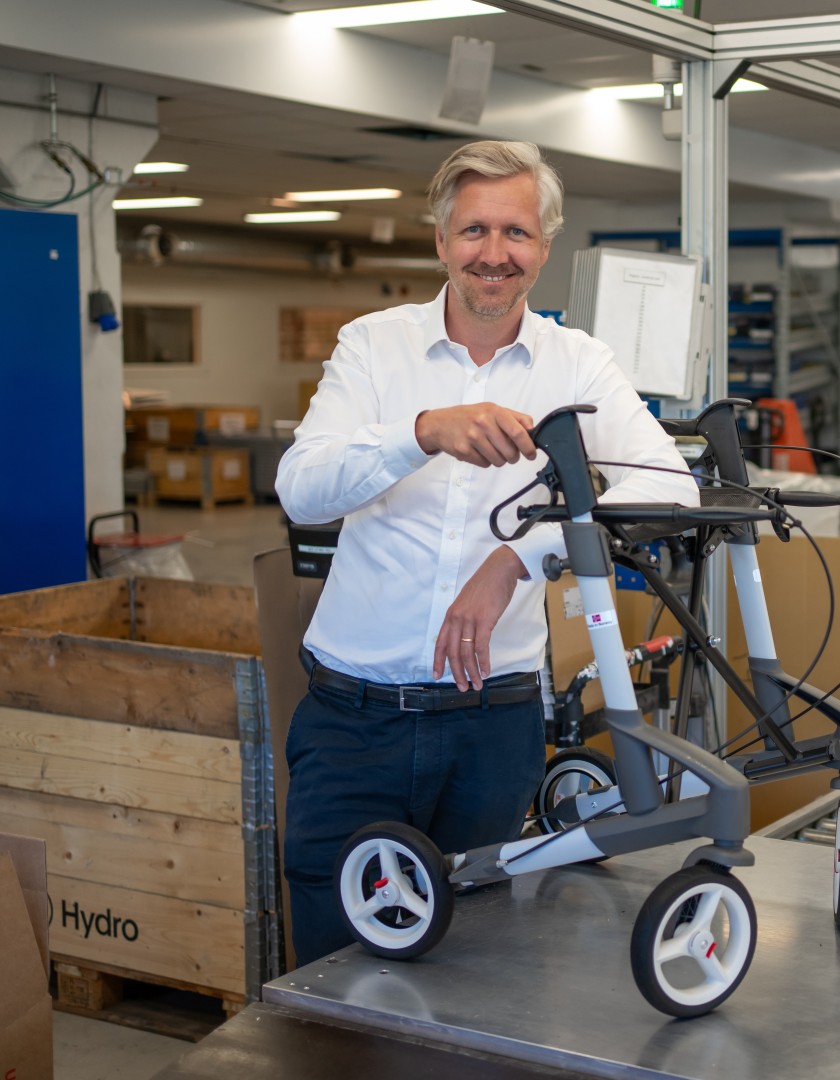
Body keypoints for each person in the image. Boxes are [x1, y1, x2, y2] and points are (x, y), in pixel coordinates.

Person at [275, 140, 698, 965]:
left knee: (475, 965)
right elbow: (303, 488)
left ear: (544, 248)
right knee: (333, 956)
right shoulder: (374, 346)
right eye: (474, 231)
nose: (494, 254)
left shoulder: (578, 365)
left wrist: (519, 558)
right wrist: (420, 433)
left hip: (492, 727)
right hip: (353, 722)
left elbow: (670, 487)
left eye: (516, 233)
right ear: (441, 241)